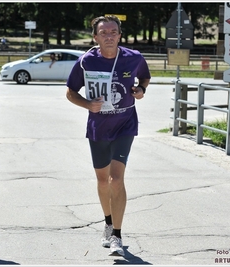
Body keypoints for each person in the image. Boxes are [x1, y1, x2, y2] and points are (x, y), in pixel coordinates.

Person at [65, 15, 150, 257]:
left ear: (120, 35)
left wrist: (141, 89)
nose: (109, 36)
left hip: (125, 123)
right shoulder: (86, 61)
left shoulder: (134, 57)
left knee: (116, 179)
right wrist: (86, 104)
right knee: (103, 181)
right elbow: (70, 92)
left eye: (113, 32)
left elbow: (145, 77)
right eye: (104, 33)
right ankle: (108, 222)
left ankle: (117, 236)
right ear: (96, 37)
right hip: (98, 126)